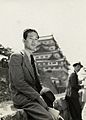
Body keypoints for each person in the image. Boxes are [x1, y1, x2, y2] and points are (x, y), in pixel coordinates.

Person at [9, 29, 53, 120]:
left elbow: (36, 82)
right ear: (24, 40)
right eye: (31, 38)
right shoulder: (17, 56)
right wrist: (38, 97)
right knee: (48, 118)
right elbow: (19, 82)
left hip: (34, 96)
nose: (34, 41)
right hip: (23, 97)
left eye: (36, 39)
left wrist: (43, 92)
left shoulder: (32, 58)